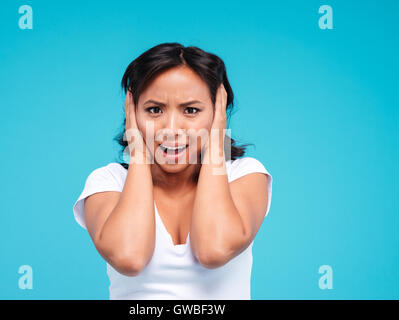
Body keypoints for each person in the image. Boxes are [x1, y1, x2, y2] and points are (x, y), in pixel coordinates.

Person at [73, 42, 273, 299]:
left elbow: (214, 250)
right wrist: (138, 150)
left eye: (191, 110)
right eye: (154, 110)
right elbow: (129, 258)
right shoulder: (107, 182)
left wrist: (216, 141)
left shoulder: (244, 176)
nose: (171, 128)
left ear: (217, 111)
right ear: (132, 112)